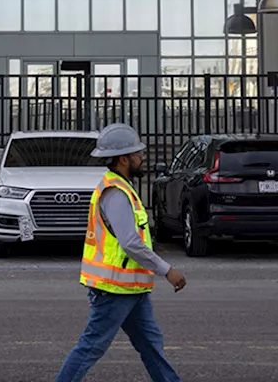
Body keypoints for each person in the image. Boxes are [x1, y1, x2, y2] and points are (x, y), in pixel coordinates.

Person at [56, 123, 186, 382]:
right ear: (124, 159)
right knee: (91, 347)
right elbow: (130, 243)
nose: (143, 158)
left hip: (132, 288)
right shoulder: (115, 193)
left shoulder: (122, 187)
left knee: (151, 346)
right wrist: (167, 270)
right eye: (138, 154)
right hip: (114, 289)